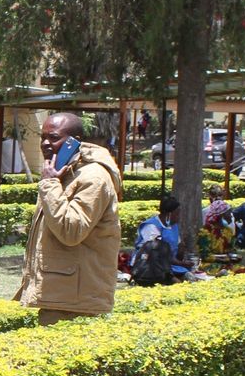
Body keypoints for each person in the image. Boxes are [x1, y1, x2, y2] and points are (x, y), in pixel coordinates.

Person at [16, 111, 122, 324]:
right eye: (42, 137)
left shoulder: (93, 177)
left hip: (76, 304)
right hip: (62, 297)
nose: (45, 143)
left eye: (54, 138)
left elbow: (71, 231)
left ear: (74, 142)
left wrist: (49, 185)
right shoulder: (62, 173)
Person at [131, 195, 195, 284]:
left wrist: (181, 249)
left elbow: (178, 248)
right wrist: (181, 263)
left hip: (171, 264)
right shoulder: (151, 226)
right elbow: (157, 254)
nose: (179, 216)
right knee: (177, 283)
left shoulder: (173, 225)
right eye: (177, 213)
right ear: (169, 214)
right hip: (150, 265)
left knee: (190, 278)